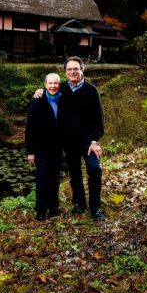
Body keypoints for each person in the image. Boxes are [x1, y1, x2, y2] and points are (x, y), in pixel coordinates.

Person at [35, 56, 105, 221]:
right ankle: (79, 203)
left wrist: (95, 141)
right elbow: (49, 93)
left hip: (88, 141)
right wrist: (39, 92)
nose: (73, 72)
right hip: (68, 141)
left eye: (76, 69)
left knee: (94, 169)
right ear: (65, 72)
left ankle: (95, 207)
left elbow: (99, 119)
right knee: (74, 174)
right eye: (69, 69)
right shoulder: (62, 89)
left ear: (82, 70)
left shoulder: (91, 90)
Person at [25, 73, 62, 221]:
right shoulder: (38, 101)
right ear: (45, 85)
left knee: (55, 178)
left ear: (59, 85)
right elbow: (30, 128)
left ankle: (54, 208)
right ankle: (40, 210)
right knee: (42, 179)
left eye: (55, 83)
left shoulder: (63, 98)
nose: (53, 86)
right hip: (41, 147)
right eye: (50, 83)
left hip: (57, 147)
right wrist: (30, 152)